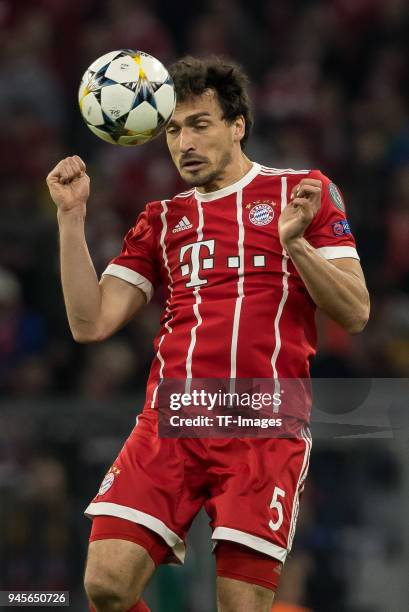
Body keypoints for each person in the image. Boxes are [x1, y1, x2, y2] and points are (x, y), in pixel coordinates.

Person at [46, 56, 370, 612]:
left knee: (241, 605)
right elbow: (89, 322)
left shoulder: (301, 191)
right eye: (173, 129)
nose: (184, 142)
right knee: (105, 584)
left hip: (263, 425)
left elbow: (356, 310)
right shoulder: (162, 219)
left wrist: (296, 245)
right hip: (172, 420)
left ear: (237, 125)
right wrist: (71, 219)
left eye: (200, 124)